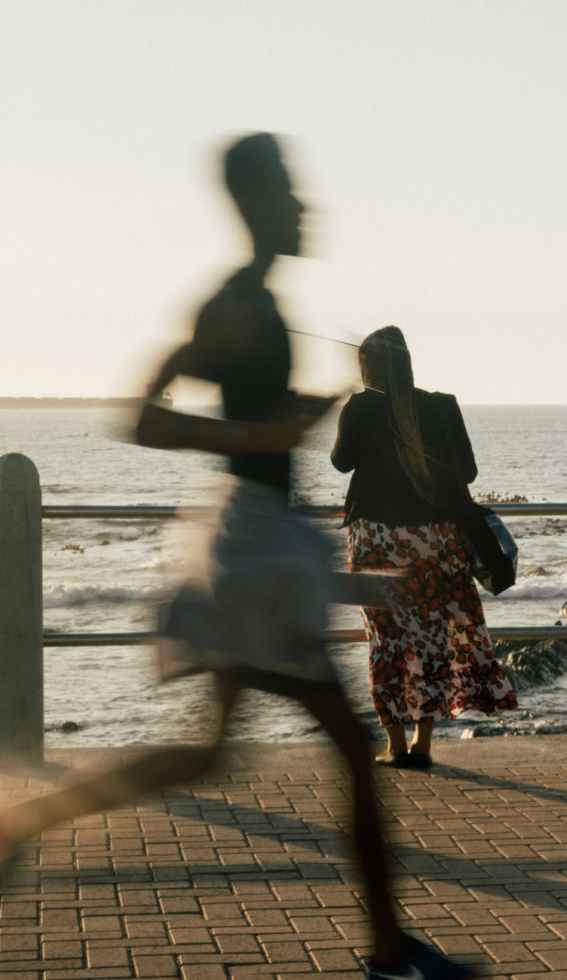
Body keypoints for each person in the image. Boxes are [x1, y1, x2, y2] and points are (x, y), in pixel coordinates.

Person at [0, 135, 472, 980]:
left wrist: (286, 415)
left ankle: (23, 825)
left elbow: (249, 429)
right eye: (289, 190)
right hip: (252, 546)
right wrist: (257, 432)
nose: (304, 206)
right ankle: (391, 952)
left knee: (215, 752)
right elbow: (139, 416)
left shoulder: (260, 302)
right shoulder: (234, 304)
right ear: (253, 200)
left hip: (257, 542)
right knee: (346, 747)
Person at [331, 326, 517, 768]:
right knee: (430, 640)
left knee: (386, 642)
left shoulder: (361, 407)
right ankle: (423, 743)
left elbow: (341, 461)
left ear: (369, 367)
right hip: (435, 542)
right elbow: (467, 473)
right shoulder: (441, 406)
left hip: (376, 541)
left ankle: (394, 743)